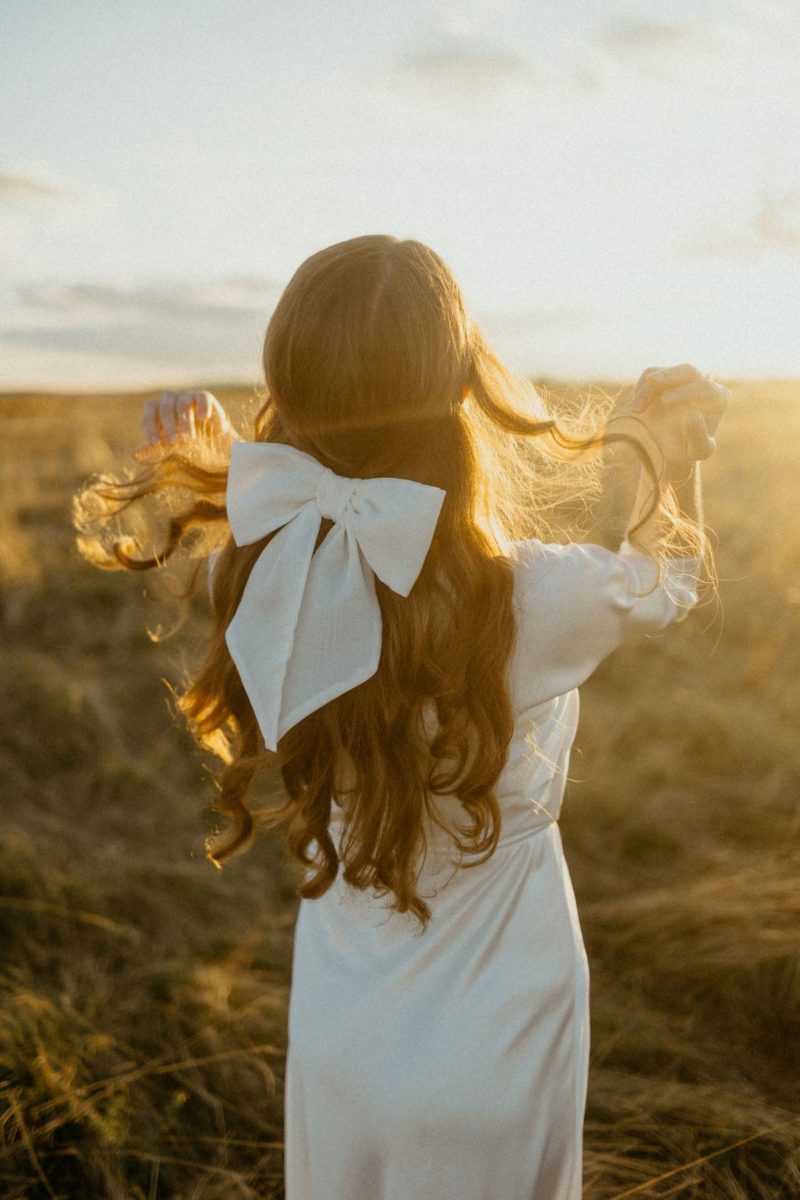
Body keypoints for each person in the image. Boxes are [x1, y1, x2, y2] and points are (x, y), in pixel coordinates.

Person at [75, 234, 729, 1199]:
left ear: (286, 390)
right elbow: (666, 580)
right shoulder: (530, 601)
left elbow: (271, 531)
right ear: (462, 390)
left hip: (343, 1027)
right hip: (500, 1028)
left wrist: (216, 461)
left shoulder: (252, 575)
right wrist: (665, 460)